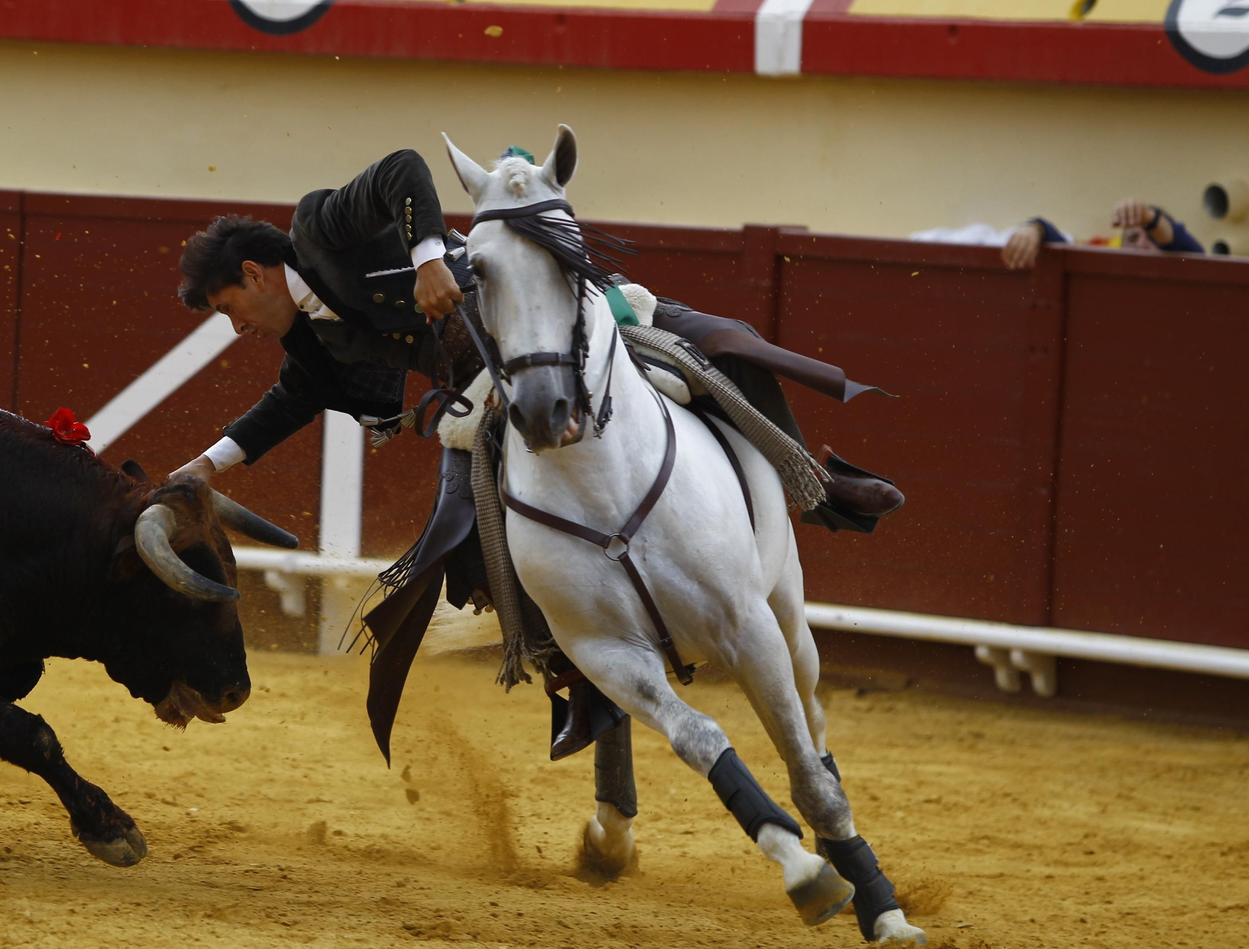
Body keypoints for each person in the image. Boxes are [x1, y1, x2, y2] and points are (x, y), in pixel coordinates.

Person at [171, 146, 902, 760]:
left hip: (547, 327)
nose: (238, 329)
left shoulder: (319, 228)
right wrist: (207, 465)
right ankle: (575, 672)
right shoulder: (312, 339)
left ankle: (811, 483)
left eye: (230, 310)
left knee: (721, 346)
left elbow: (402, 170)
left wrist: (430, 260)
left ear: (257, 275)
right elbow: (289, 402)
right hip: (487, 397)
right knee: (469, 547)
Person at [1001, 198, 1205, 270]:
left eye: (1150, 238)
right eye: (1134, 238)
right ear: (1122, 246)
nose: (1143, 244)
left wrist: (1149, 217)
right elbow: (1063, 246)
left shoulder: (1179, 259)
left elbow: (1192, 251)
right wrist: (1035, 227)